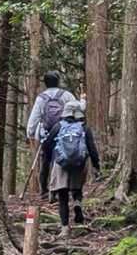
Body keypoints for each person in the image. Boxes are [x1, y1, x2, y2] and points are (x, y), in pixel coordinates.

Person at [42, 99, 100, 236]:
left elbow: (46, 145)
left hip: (61, 164)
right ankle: (77, 202)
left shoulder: (58, 126)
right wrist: (96, 166)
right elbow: (92, 149)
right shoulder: (84, 128)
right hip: (79, 164)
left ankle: (64, 228)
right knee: (76, 189)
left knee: (62, 196)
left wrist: (50, 158)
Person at [24, 70, 76, 198]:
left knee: (45, 160)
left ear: (45, 83)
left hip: (45, 133)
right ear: (58, 81)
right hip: (62, 132)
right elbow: (76, 110)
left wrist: (30, 133)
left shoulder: (41, 98)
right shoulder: (67, 95)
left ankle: (44, 190)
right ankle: (58, 189)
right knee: (59, 159)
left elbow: (35, 117)